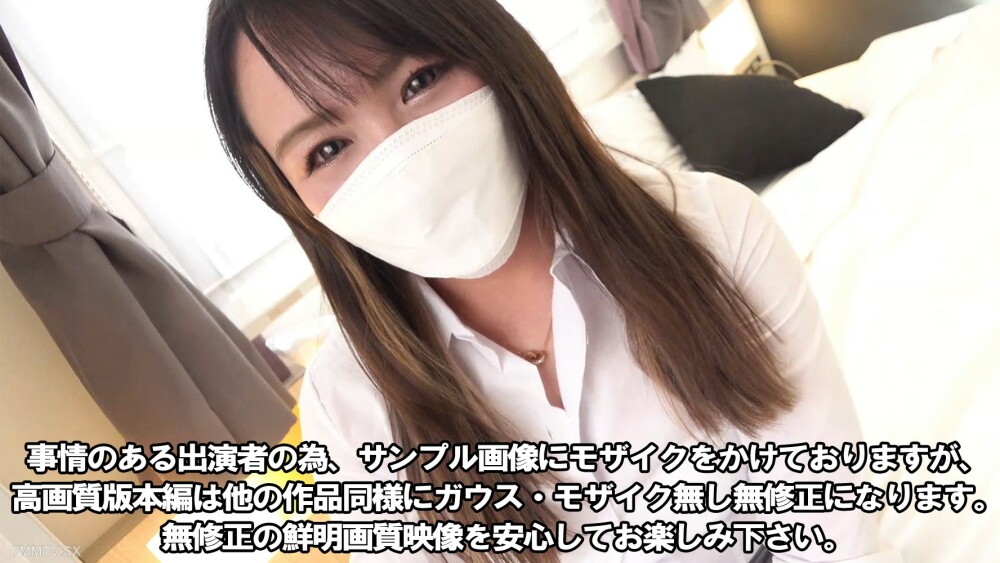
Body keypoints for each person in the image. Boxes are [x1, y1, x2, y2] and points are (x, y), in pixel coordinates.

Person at [204, 1, 896, 562]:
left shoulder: (717, 232)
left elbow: (834, 529)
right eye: (327, 149)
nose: (402, 158)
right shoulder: (347, 407)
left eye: (420, 80)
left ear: (491, 50)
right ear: (294, 200)